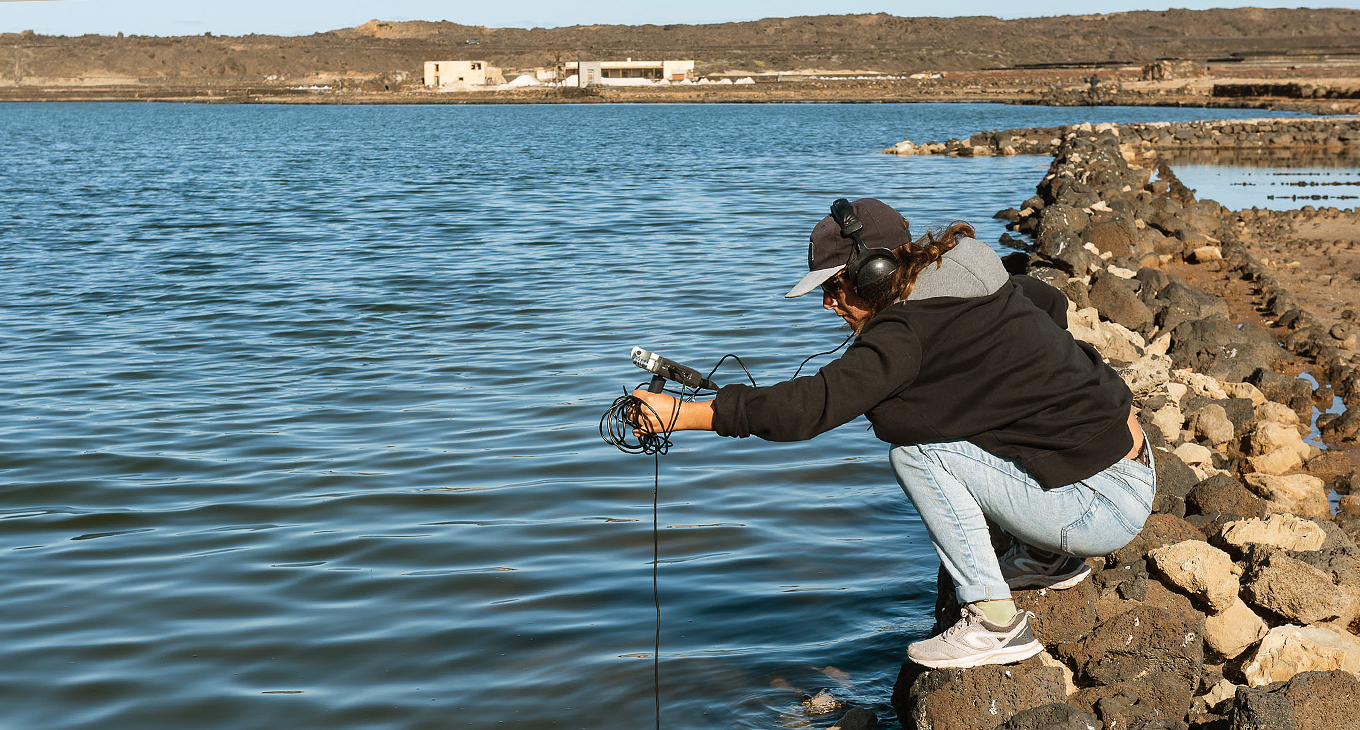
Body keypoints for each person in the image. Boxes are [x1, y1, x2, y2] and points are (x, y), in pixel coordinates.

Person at [630, 198, 1154, 670]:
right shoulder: (970, 264)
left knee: (918, 454)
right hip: (1127, 464)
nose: (827, 304)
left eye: (834, 287)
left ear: (875, 274)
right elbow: (1051, 306)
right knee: (955, 418)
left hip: (1099, 507)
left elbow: (807, 409)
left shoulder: (904, 334)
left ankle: (996, 623)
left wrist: (682, 414)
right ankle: (1046, 556)